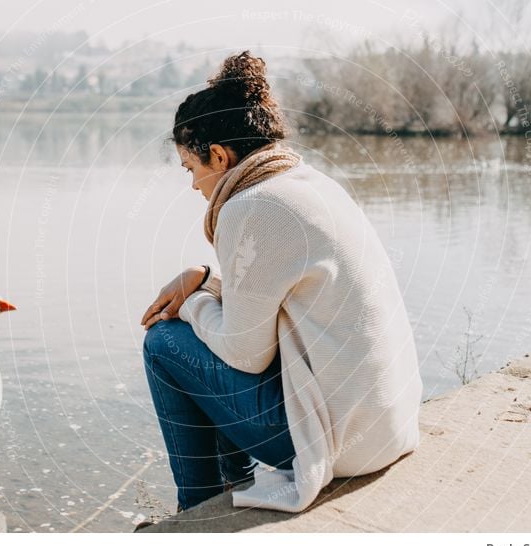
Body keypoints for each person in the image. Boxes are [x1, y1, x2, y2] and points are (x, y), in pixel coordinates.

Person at [140, 51, 422, 516]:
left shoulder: (251, 206)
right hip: (384, 429)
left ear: (218, 155)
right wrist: (207, 280)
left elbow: (246, 356)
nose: (193, 186)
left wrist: (191, 304)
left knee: (165, 341)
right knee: (201, 334)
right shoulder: (309, 184)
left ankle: (195, 509)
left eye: (191, 169)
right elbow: (270, 295)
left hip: (338, 444)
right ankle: (232, 484)